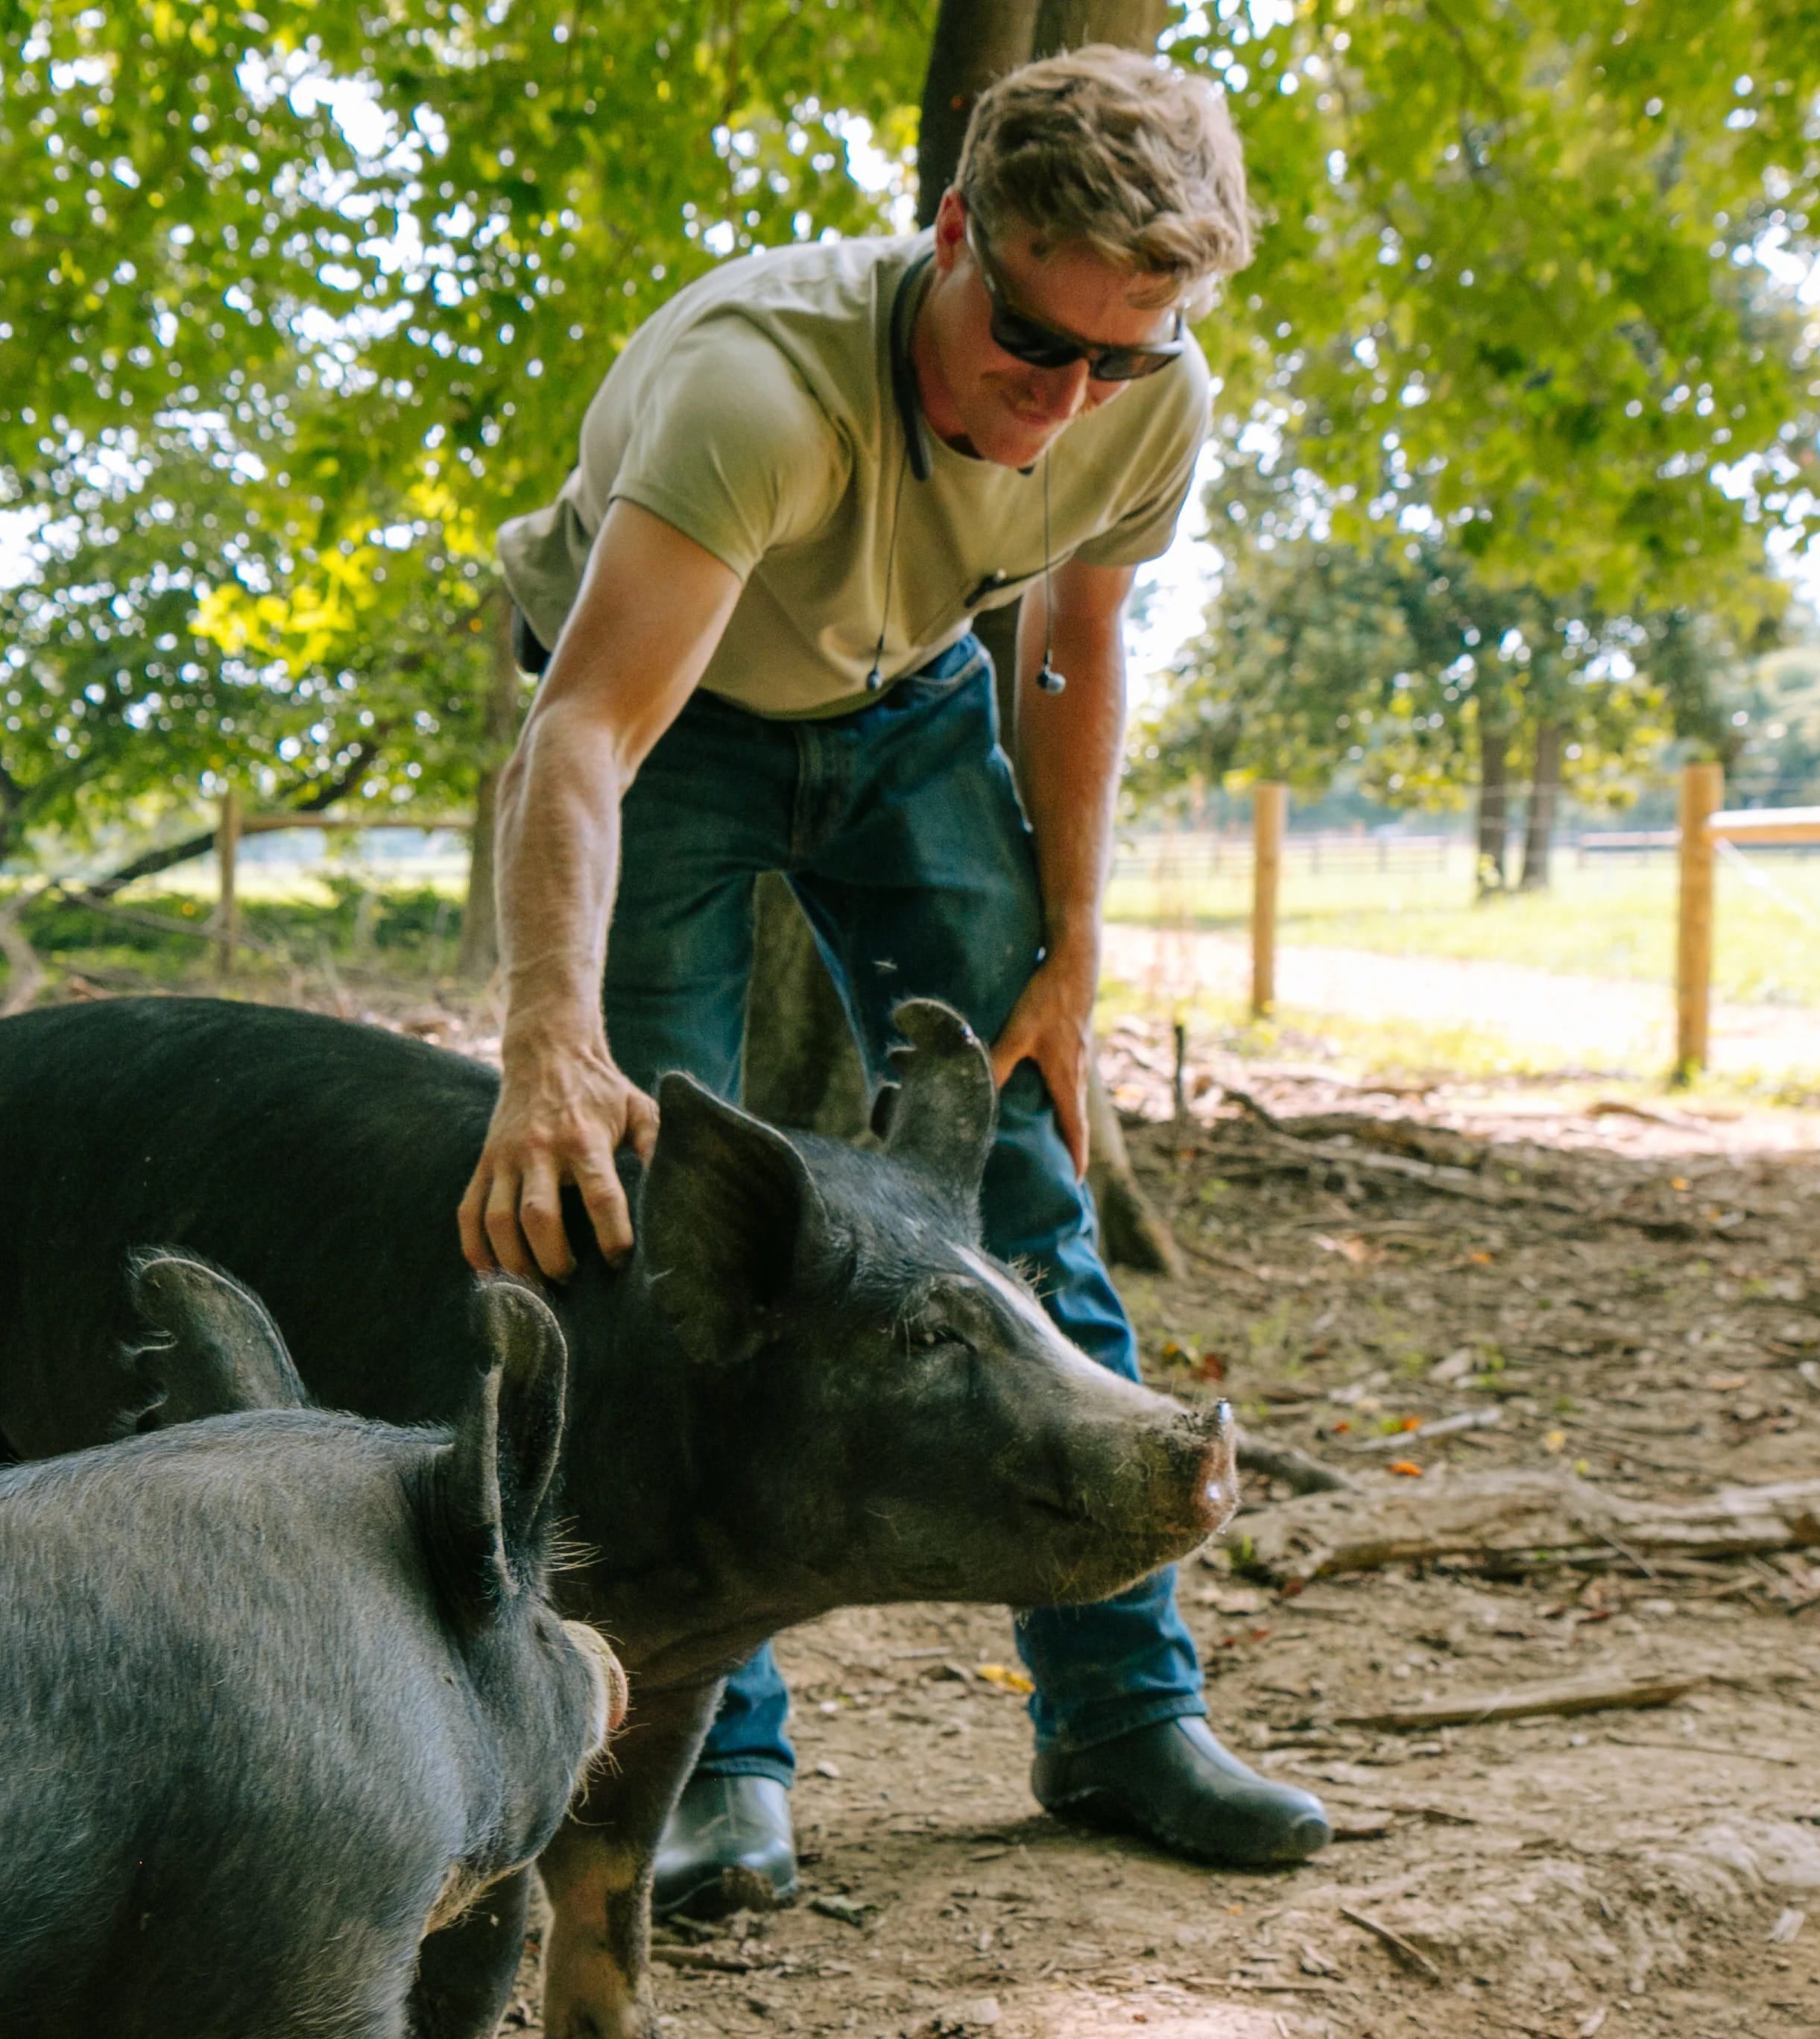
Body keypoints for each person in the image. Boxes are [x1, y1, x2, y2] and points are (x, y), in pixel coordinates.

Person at [458, 48, 1330, 1917]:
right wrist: (550, 1042)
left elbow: (1074, 651)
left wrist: (1071, 957)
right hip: (667, 722)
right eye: (1035, 347)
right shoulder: (755, 397)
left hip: (912, 705)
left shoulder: (1139, 394)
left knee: (1028, 1173)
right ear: (956, 237)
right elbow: (586, 738)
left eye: (1125, 358)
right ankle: (685, 1757)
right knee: (652, 1230)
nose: (1069, 402)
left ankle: (1123, 1716)